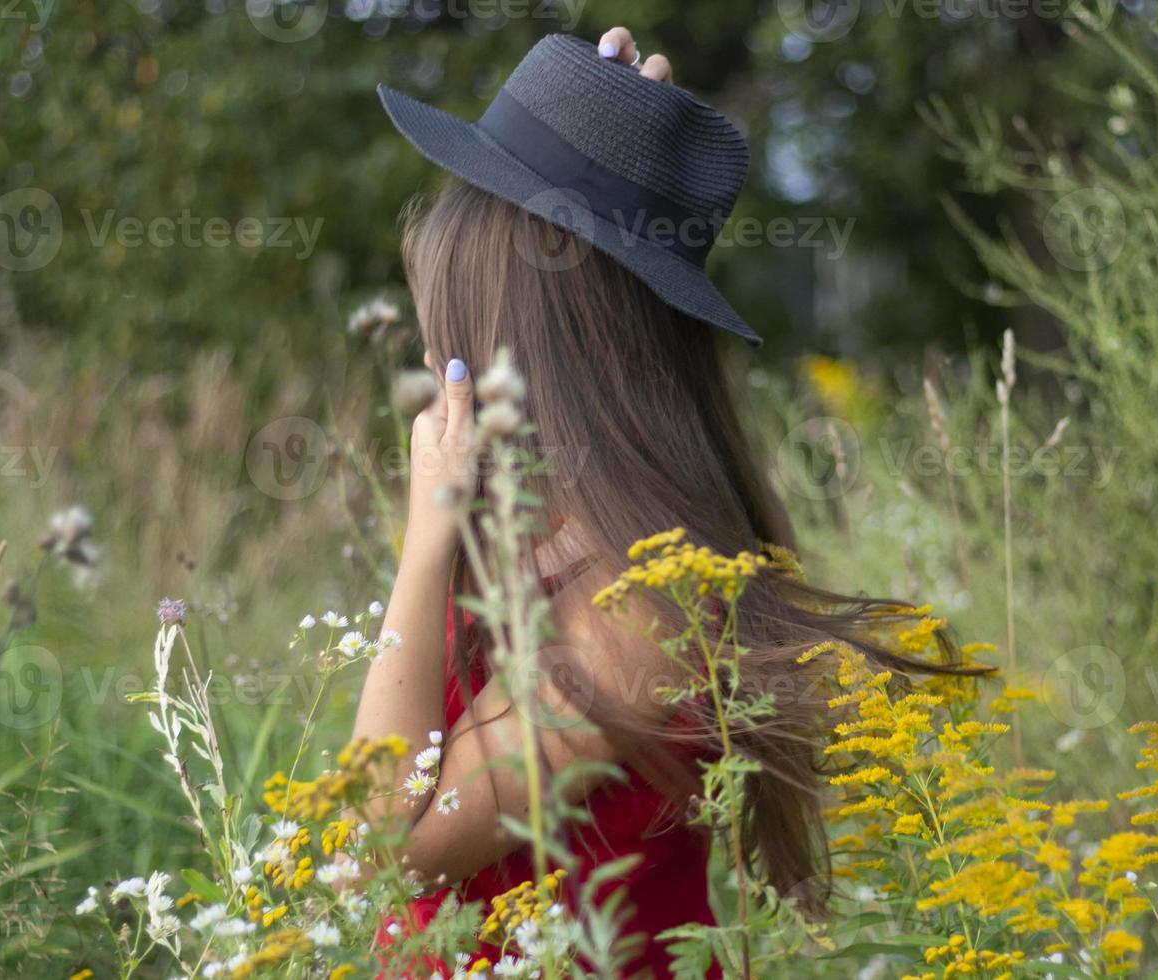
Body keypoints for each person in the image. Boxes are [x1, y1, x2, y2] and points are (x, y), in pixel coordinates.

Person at [351, 26, 977, 977]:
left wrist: (424, 539)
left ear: (522, 331)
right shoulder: (565, 538)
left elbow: (377, 852)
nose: (440, 360)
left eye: (455, 323)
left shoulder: (634, 606)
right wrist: (615, 147)